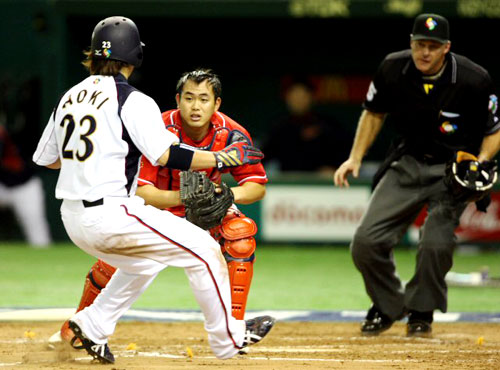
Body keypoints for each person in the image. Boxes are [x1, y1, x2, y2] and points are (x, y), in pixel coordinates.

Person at [33, 16, 274, 364]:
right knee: (206, 252)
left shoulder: (69, 96)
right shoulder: (132, 100)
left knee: (145, 262)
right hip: (112, 213)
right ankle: (228, 340)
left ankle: (93, 324)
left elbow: (48, 160)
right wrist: (220, 158)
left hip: (72, 217)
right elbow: (168, 155)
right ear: (134, 56)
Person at [334, 13, 500, 337]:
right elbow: (373, 113)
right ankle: (389, 305)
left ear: (446, 48)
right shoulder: (392, 68)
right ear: (411, 44)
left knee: (436, 244)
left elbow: (494, 130)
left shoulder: (473, 78)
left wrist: (480, 161)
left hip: (451, 171)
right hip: (407, 163)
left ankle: (421, 311)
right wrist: (355, 157)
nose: (425, 52)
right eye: (420, 45)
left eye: (433, 47)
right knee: (365, 242)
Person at [262, 78, 349, 174]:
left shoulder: (328, 125)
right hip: (288, 183)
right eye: (294, 96)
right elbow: (263, 157)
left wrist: (335, 169)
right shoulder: (279, 127)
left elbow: (346, 154)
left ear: (312, 97)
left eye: (302, 96)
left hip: (323, 184)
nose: (298, 100)